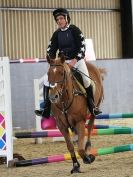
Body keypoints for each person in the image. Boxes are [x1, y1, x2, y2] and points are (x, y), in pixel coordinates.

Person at [35, 8, 102, 118]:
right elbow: (51, 49)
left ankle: (92, 106)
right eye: (57, 19)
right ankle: (46, 109)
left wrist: (75, 60)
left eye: (61, 18)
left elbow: (82, 47)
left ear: (66, 18)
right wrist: (52, 61)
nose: (59, 21)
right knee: (47, 81)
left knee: (86, 80)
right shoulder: (56, 34)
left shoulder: (74, 30)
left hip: (77, 61)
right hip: (63, 63)